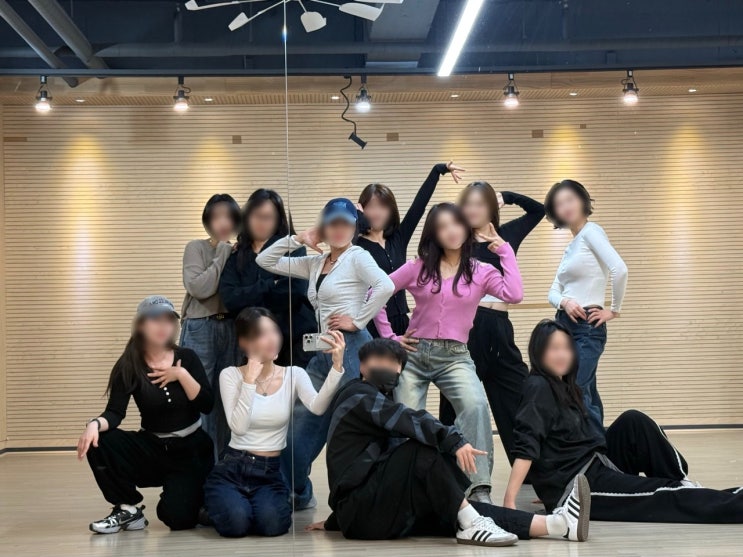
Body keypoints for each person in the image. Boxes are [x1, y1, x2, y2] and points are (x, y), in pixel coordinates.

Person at [306, 338, 591, 546]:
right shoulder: (357, 395)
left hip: (371, 509)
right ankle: (472, 525)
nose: (387, 367)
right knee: (420, 449)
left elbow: (354, 464)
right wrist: (453, 440)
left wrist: (336, 520)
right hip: (362, 510)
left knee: (456, 507)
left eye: (394, 364)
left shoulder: (376, 403)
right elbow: (408, 418)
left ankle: (556, 525)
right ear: (362, 366)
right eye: (379, 360)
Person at [505, 319, 743, 523]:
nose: (562, 355)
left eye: (567, 348)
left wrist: (547, 484)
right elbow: (527, 443)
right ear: (539, 352)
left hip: (595, 463)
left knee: (633, 422)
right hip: (579, 487)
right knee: (662, 495)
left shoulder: (564, 385)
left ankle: (683, 484)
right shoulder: (538, 386)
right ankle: (723, 500)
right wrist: (512, 500)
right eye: (553, 348)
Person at [374, 202, 523, 504]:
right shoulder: (418, 267)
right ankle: (408, 489)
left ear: (465, 228)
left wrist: (504, 250)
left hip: (454, 357)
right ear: (434, 234)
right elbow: (377, 291)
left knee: (475, 406)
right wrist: (389, 337)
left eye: (455, 223)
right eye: (442, 227)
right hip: (414, 355)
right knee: (406, 419)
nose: (451, 231)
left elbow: (514, 293)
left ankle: (478, 488)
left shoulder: (481, 271)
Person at [256, 197, 394, 510]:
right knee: (297, 429)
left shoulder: (358, 256)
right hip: (322, 354)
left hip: (352, 348)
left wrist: (357, 320)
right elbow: (264, 261)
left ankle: (366, 500)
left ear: (355, 227)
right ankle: (299, 493)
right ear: (324, 227)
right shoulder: (316, 262)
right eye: (332, 224)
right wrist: (299, 238)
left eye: (346, 223)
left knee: (355, 429)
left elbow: (385, 286)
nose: (339, 229)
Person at [77, 296, 214, 534]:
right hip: (153, 447)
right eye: (155, 320)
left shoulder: (187, 357)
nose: (163, 326)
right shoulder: (129, 364)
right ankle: (128, 509)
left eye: (168, 320)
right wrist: (93, 425)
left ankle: (185, 493)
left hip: (190, 451)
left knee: (178, 519)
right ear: (140, 325)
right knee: (100, 440)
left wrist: (181, 375)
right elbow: (115, 413)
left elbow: (207, 404)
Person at [203, 308, 346, 537]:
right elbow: (238, 427)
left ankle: (239, 508)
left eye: (274, 332)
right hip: (233, 468)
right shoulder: (230, 375)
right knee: (235, 526)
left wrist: (337, 367)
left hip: (268, 471)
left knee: (273, 526)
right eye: (262, 334)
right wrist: (249, 381)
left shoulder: (294, 374)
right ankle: (220, 506)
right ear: (245, 342)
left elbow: (318, 407)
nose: (272, 339)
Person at [440, 182, 545, 462]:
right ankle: (447, 468)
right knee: (455, 402)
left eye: (480, 204)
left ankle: (530, 468)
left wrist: (507, 196)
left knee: (519, 398)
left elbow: (539, 210)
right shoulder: (457, 240)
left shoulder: (506, 235)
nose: (473, 210)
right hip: (465, 328)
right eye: (468, 204)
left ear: (491, 207)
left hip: (499, 327)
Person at [545, 180, 628, 435]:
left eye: (570, 199)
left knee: (575, 390)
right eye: (559, 204)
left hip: (587, 326)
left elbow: (620, 269)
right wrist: (565, 301)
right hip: (563, 326)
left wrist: (614, 310)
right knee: (586, 391)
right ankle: (599, 448)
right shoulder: (571, 247)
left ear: (583, 201)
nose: (565, 206)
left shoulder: (592, 232)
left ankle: (591, 447)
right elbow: (552, 292)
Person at [355, 162, 465, 337]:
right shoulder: (356, 246)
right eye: (371, 207)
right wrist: (357, 224)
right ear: (363, 210)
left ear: (391, 211)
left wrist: (437, 171)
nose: (377, 213)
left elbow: (418, 207)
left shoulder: (398, 238)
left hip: (401, 321)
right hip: (371, 323)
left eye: (383, 207)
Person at [219, 189, 317, 368]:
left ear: (278, 220)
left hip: (294, 338)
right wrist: (271, 284)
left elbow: (294, 291)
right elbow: (230, 298)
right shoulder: (237, 254)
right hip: (254, 341)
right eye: (257, 216)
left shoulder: (292, 248)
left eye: (268, 217)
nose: (261, 222)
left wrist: (250, 296)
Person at [180, 193, 241, 456]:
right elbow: (199, 288)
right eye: (216, 217)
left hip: (232, 328)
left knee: (229, 397)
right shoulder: (196, 247)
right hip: (200, 326)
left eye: (228, 216)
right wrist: (223, 251)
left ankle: (222, 468)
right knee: (198, 395)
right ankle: (200, 465)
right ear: (207, 221)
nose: (223, 222)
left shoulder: (241, 251)